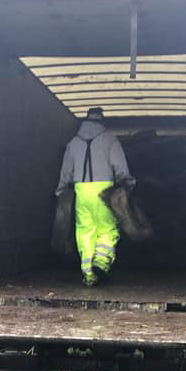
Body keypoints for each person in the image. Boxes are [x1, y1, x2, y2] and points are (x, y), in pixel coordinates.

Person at [55, 107, 135, 285]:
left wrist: (61, 190)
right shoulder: (110, 139)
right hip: (105, 191)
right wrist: (127, 183)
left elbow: (66, 170)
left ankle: (89, 275)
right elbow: (119, 166)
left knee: (85, 231)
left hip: (81, 192)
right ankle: (101, 262)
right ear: (102, 120)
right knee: (107, 228)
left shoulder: (73, 143)